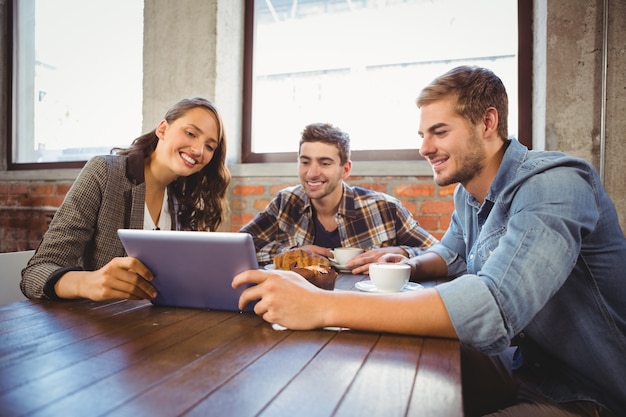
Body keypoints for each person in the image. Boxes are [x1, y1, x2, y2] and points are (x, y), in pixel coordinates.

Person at [233, 66, 626, 416]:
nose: (424, 148)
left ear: (487, 122)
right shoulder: (468, 194)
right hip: (525, 367)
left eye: (439, 132)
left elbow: (491, 308)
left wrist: (323, 306)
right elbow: (451, 254)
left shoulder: (552, 185)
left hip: (591, 394)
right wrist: (405, 261)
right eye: (423, 135)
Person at [21, 97, 231, 302]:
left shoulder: (185, 201)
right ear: (163, 129)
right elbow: (35, 273)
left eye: (210, 146)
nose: (198, 150)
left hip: (151, 325)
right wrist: (88, 282)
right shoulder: (105, 174)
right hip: (92, 326)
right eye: (191, 133)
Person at [239, 122, 438, 272]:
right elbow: (242, 246)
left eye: (325, 163)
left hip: (366, 308)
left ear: (345, 169)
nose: (312, 173)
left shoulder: (385, 208)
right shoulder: (287, 202)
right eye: (305, 162)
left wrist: (403, 253)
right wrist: (291, 252)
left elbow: (442, 254)